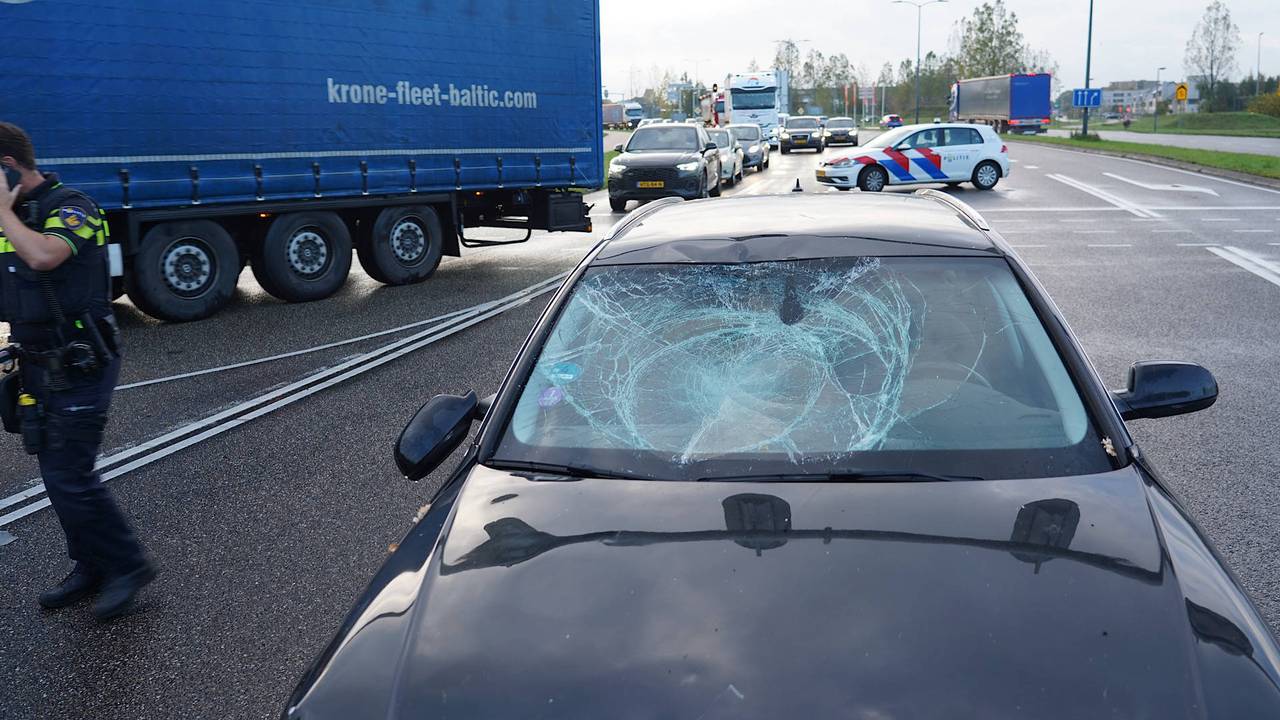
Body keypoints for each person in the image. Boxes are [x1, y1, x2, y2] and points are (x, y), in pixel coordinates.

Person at [0, 122, 154, 620]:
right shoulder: (14, 217)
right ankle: (91, 565)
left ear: (7, 167)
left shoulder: (74, 207)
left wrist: (2, 213)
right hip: (38, 362)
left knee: (70, 474)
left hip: (81, 358)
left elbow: (45, 256)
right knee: (55, 473)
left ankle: (129, 564)